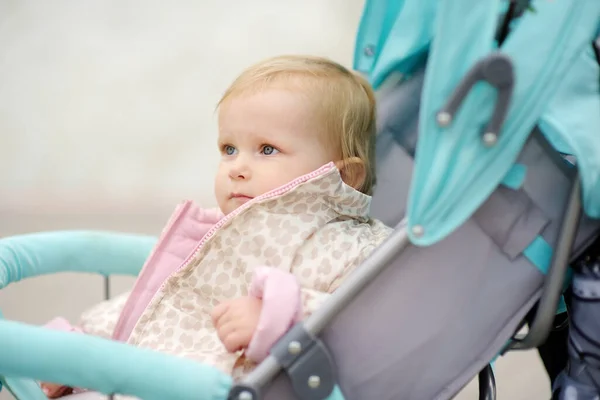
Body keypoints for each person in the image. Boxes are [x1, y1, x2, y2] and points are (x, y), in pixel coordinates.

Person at [40, 54, 393, 398]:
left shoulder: (349, 245)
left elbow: (365, 324)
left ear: (344, 175)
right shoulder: (219, 232)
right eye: (229, 148)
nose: (236, 167)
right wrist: (82, 349)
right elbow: (159, 313)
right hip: (149, 377)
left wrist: (279, 316)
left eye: (267, 149)